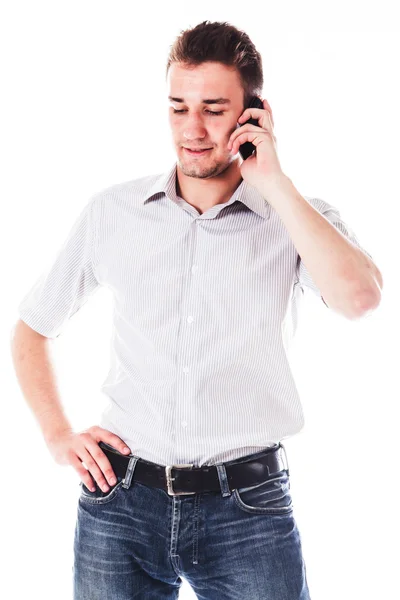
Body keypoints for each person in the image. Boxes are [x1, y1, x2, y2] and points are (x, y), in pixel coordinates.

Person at [11, 19, 382, 600]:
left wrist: (275, 180)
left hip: (248, 510)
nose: (193, 129)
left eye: (213, 108)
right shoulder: (114, 212)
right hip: (122, 504)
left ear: (253, 112)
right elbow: (34, 326)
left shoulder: (293, 219)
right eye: (178, 107)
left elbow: (360, 299)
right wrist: (58, 434)